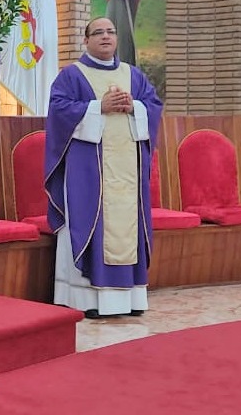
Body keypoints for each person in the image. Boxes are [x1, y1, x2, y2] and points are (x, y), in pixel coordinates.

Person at [44, 17, 162, 318]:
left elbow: (153, 106)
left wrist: (135, 107)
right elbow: (58, 111)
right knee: (89, 223)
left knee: (128, 227)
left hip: (128, 172)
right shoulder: (72, 76)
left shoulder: (133, 76)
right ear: (86, 41)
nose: (106, 36)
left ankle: (130, 299)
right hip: (88, 174)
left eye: (110, 32)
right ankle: (87, 299)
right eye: (98, 32)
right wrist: (98, 107)